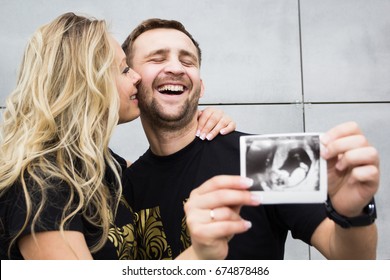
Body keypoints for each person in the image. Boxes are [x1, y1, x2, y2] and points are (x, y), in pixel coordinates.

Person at [0, 13, 258, 260]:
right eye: (124, 69)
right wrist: (201, 254)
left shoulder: (113, 171)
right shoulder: (41, 182)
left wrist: (215, 133)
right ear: (87, 82)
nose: (135, 78)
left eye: (187, 61)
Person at [121, 18, 379, 260]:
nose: (176, 68)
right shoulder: (122, 185)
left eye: (188, 62)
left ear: (200, 87)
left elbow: (349, 257)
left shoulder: (264, 158)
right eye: (157, 58)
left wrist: (354, 213)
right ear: (131, 80)